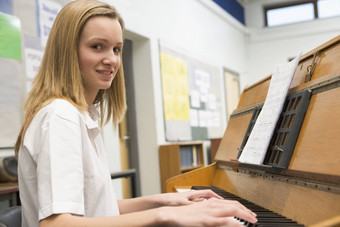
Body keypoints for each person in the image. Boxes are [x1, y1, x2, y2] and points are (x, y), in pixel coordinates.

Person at [15, 0, 257, 226]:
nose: (111, 59)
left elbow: (99, 209)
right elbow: (57, 223)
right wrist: (165, 214)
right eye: (97, 46)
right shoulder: (61, 116)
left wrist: (162, 200)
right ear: (67, 50)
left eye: (117, 49)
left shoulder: (81, 114)